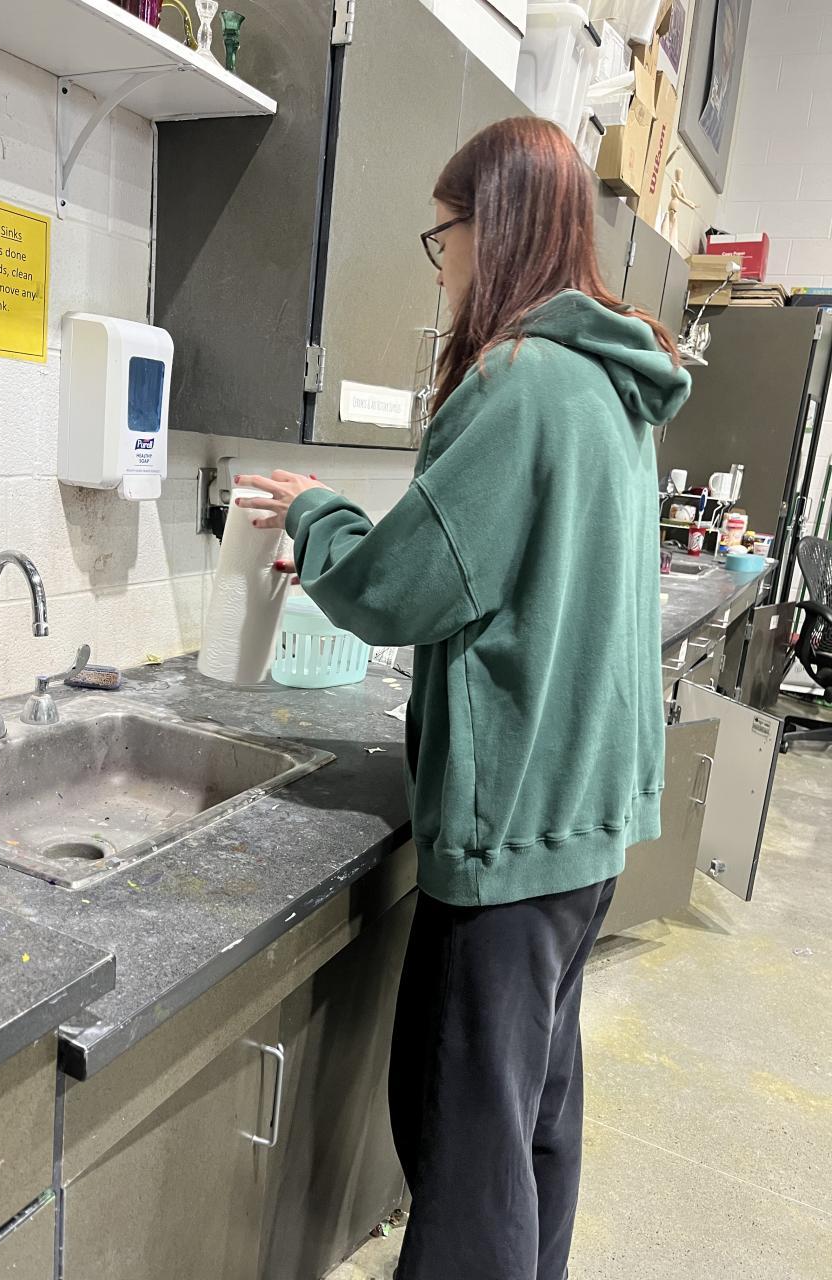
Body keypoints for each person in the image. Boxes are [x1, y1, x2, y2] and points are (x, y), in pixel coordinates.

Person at [236, 116, 691, 1280]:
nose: (440, 267)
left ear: (494, 228)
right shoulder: (611, 382)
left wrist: (316, 514)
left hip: (514, 831)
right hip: (583, 822)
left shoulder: (520, 381)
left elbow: (403, 586)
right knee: (532, 1118)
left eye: (444, 237)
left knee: (463, 1148)